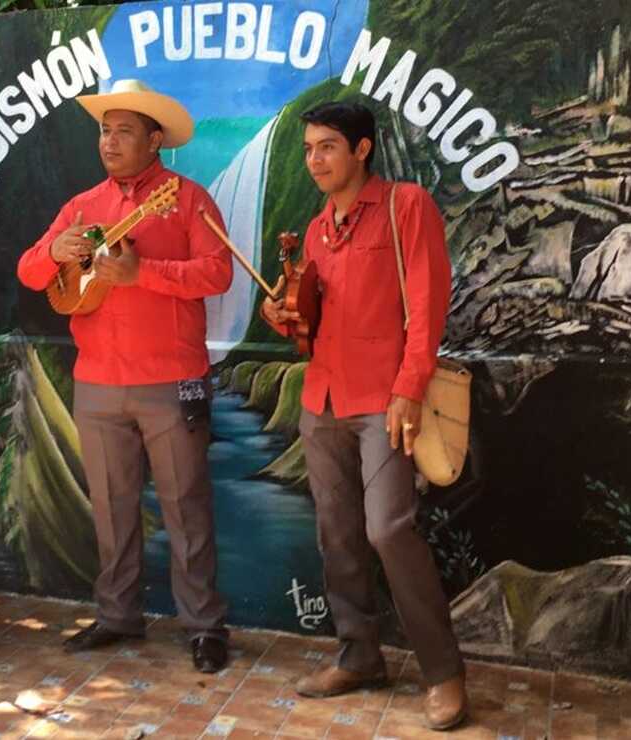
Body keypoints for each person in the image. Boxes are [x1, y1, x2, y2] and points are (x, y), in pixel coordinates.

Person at [261, 101, 468, 730]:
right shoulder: (318, 229)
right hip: (321, 397)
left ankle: (443, 673)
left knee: (388, 530)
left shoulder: (407, 206)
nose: (315, 160)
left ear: (362, 149)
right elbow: (313, 320)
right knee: (337, 532)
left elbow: (427, 305)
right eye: (307, 149)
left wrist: (408, 388)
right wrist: (285, 317)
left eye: (327, 146)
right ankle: (359, 654)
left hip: (385, 400)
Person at [17, 79, 233, 674]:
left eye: (124, 131)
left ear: (155, 140)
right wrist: (57, 251)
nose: (110, 141)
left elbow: (218, 274)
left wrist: (145, 273)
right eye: (104, 131)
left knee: (185, 505)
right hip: (98, 381)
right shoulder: (82, 205)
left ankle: (205, 626)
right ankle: (117, 615)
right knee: (111, 506)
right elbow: (30, 270)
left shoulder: (187, 200)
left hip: (173, 377)